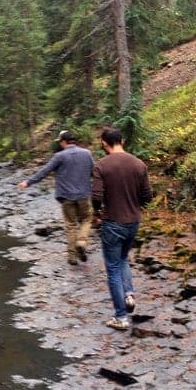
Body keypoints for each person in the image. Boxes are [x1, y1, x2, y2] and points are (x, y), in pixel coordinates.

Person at [92, 127, 152, 331]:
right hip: (133, 221)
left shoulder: (101, 165)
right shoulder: (139, 164)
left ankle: (120, 317)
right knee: (123, 258)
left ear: (104, 143)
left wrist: (97, 212)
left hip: (112, 222)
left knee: (113, 268)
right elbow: (147, 197)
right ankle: (129, 294)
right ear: (122, 141)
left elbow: (96, 196)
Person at [18, 130, 94, 265]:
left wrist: (28, 182)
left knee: (71, 225)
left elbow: (44, 171)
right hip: (84, 195)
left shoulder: (59, 156)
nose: (59, 144)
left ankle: (72, 257)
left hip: (66, 197)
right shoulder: (87, 153)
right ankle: (81, 242)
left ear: (64, 142)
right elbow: (94, 172)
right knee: (87, 219)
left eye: (60, 142)